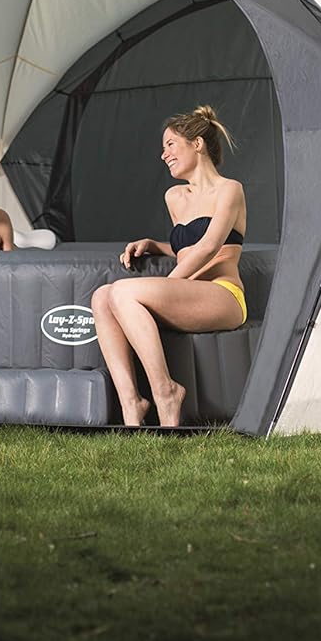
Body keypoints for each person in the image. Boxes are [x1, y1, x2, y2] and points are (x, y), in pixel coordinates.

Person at [92, 106, 247, 427]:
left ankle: (166, 391)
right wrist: (154, 245)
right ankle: (132, 405)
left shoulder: (230, 190)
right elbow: (187, 248)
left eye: (170, 144)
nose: (164, 154)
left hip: (223, 295)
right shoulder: (174, 196)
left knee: (121, 292)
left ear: (197, 144)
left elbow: (209, 246)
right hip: (187, 294)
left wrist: (170, 284)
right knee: (101, 296)